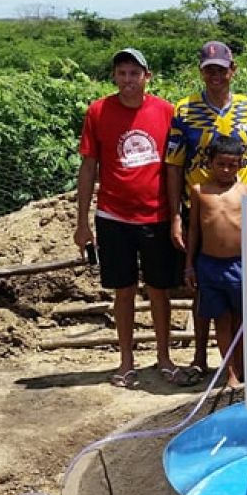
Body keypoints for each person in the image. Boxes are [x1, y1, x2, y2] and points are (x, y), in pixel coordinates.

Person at [74, 48, 193, 388]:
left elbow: (176, 165)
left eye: (134, 73)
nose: (128, 80)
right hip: (113, 215)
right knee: (123, 291)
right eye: (122, 73)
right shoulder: (98, 112)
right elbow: (88, 167)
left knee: (159, 290)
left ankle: (165, 357)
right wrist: (82, 221)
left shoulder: (166, 112)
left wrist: (177, 215)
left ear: (147, 76)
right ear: (114, 76)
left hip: (155, 214)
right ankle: (126, 361)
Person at [166, 40, 247, 375]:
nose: (216, 76)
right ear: (202, 71)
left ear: (232, 71)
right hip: (200, 206)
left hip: (244, 210)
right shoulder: (184, 111)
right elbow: (173, 164)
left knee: (241, 296)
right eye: (209, 70)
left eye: (221, 70)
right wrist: (174, 217)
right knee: (205, 291)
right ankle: (201, 359)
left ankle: (240, 367)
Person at [184, 136, 247, 388]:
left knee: (241, 319)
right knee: (221, 320)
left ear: (240, 165)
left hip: (241, 265)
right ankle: (230, 372)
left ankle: (243, 367)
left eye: (232, 165)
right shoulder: (200, 191)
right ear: (209, 163)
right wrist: (189, 264)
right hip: (209, 265)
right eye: (220, 164)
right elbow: (194, 231)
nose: (225, 170)